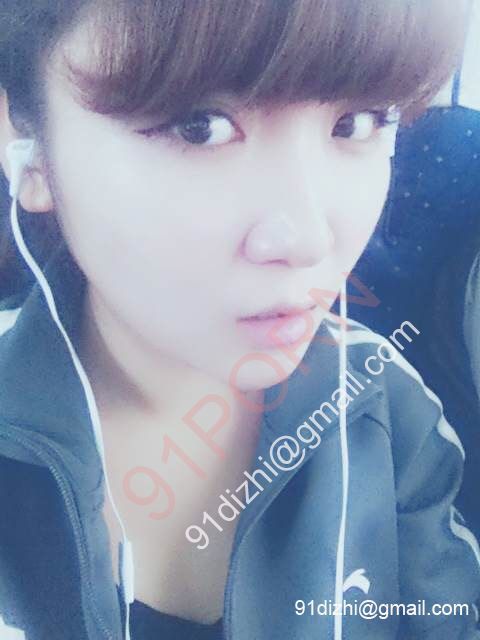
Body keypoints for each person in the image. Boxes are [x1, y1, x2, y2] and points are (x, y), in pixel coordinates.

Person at [0, 1, 478, 639]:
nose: (308, 238)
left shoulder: (389, 409)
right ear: (24, 145)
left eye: (358, 122)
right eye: (200, 127)